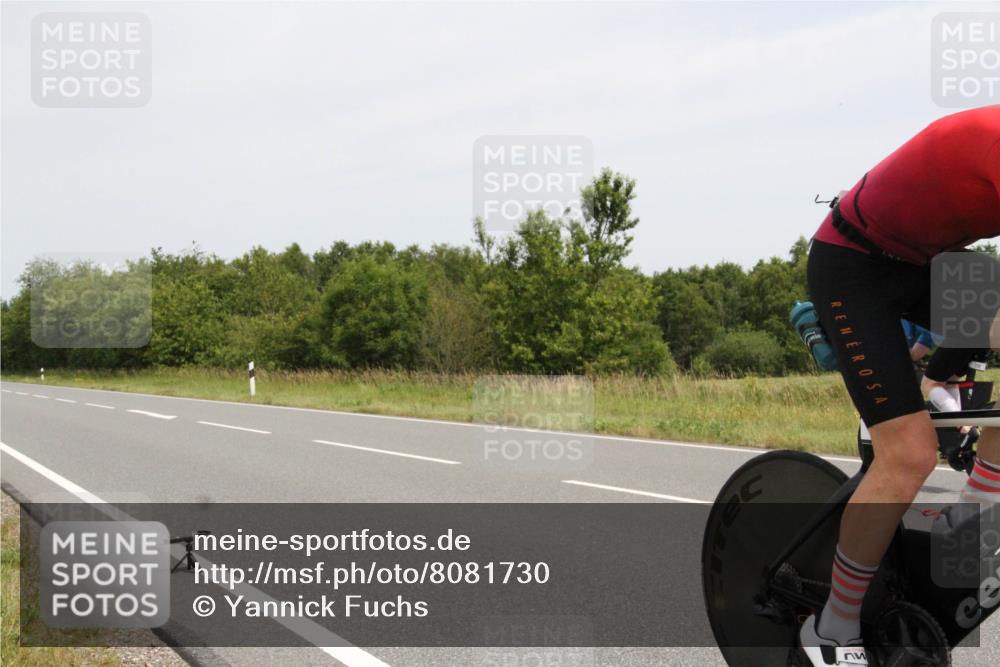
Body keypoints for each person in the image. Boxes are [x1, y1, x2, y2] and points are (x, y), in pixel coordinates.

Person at [801, 105, 1000, 666]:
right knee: (910, 454)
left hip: (926, 262)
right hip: (853, 266)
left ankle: (975, 513)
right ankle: (831, 630)